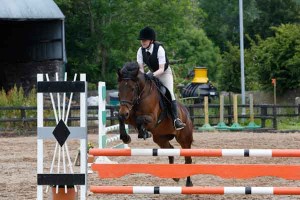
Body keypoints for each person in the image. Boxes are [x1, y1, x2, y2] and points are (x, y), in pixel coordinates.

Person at [136, 26, 186, 131]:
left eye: (145, 40)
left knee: (170, 93)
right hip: (152, 71)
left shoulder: (159, 49)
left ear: (151, 40)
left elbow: (162, 69)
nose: (142, 42)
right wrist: (143, 77)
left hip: (164, 72)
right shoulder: (140, 51)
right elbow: (141, 69)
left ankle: (176, 119)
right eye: (142, 40)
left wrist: (151, 75)